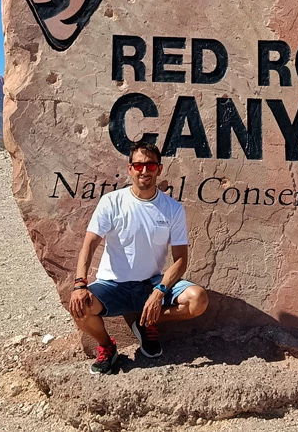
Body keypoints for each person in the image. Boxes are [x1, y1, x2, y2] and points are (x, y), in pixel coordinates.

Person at [67, 141, 210, 374]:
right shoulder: (111, 202)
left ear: (159, 169)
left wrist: (160, 291)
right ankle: (107, 347)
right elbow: (89, 245)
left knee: (198, 300)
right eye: (139, 165)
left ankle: (146, 322)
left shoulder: (172, 208)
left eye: (151, 166)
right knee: (79, 307)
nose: (145, 171)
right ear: (130, 169)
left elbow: (181, 260)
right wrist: (80, 284)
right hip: (112, 285)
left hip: (151, 283)